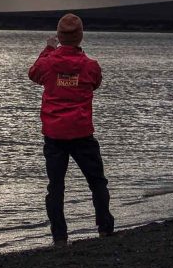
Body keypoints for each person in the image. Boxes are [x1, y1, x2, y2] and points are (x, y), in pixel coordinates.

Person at [28, 13, 114, 245]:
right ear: (80, 36)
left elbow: (33, 74)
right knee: (97, 182)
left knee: (56, 187)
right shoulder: (90, 66)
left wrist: (49, 49)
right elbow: (95, 83)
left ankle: (60, 237)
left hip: (55, 135)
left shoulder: (48, 63)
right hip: (81, 133)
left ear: (59, 35)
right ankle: (105, 228)